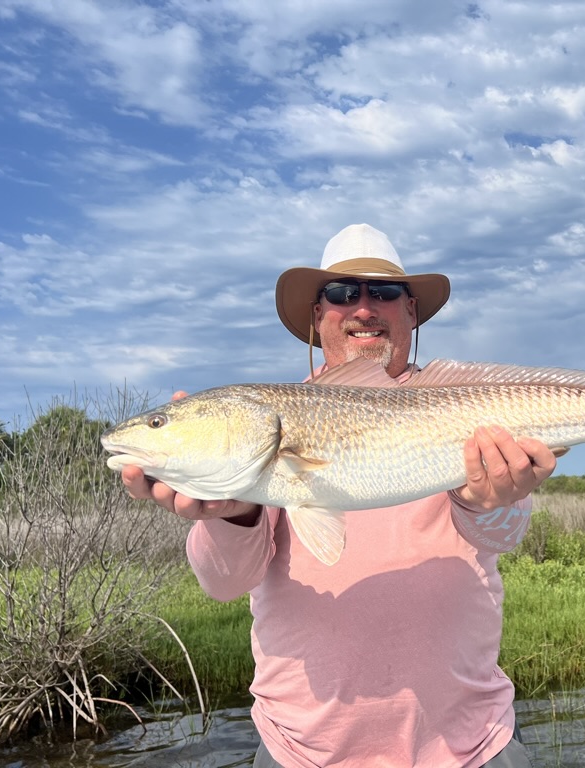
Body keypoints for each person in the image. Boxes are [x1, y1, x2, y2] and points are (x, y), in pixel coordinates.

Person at [121, 224, 557, 767]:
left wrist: (491, 499)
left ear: (412, 311)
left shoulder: (466, 406)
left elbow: (506, 534)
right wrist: (234, 514)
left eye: (385, 292)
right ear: (316, 315)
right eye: (342, 293)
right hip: (303, 750)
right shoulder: (269, 425)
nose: (364, 308)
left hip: (469, 745)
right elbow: (223, 582)